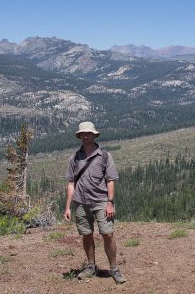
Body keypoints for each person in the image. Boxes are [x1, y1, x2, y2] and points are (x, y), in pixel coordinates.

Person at [64, 121, 126, 284]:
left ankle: (114, 268)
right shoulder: (75, 158)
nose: (86, 136)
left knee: (107, 233)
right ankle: (91, 266)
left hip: (101, 201)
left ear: (94, 135)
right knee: (86, 234)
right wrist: (68, 207)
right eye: (83, 133)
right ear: (79, 136)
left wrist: (110, 202)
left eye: (89, 133)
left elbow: (111, 180)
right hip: (81, 202)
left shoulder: (105, 156)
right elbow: (71, 183)